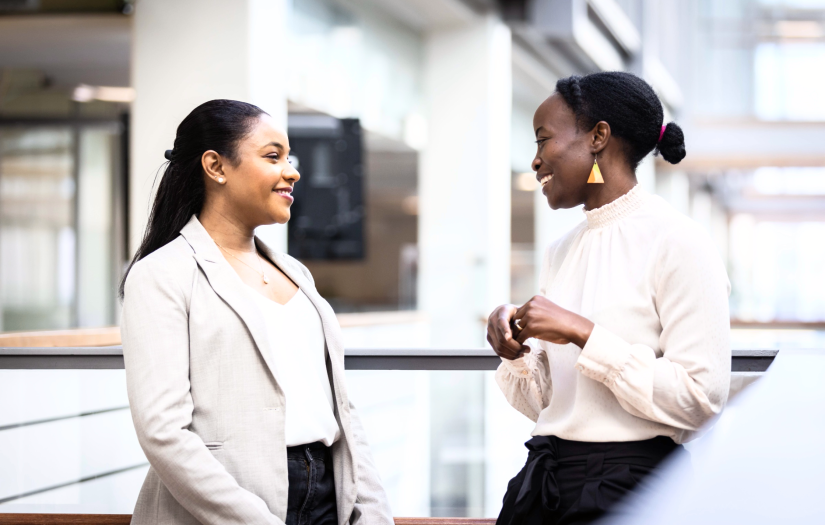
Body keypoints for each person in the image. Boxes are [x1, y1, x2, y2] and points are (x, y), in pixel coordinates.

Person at [120, 100, 393, 525]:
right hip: (225, 505)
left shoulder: (297, 274)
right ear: (216, 166)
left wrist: (375, 514)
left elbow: (342, 411)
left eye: (290, 157)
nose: (293, 171)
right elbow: (163, 432)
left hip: (326, 498)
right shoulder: (162, 275)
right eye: (273, 156)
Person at [487, 72, 731, 525]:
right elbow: (548, 406)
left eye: (543, 141)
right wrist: (517, 350)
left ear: (599, 136)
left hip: (636, 490)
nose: (536, 162)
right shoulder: (562, 250)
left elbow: (701, 399)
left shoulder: (679, 241)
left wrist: (583, 333)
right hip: (545, 484)